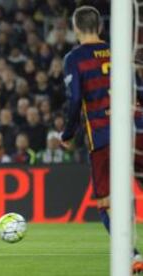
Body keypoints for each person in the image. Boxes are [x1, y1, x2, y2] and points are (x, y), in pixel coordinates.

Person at [60, 6, 143, 272]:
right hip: (136, 129)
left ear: (75, 28)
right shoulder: (120, 53)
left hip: (103, 135)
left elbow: (74, 100)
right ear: (100, 26)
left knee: (106, 204)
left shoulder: (75, 58)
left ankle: (132, 256)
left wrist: (68, 133)